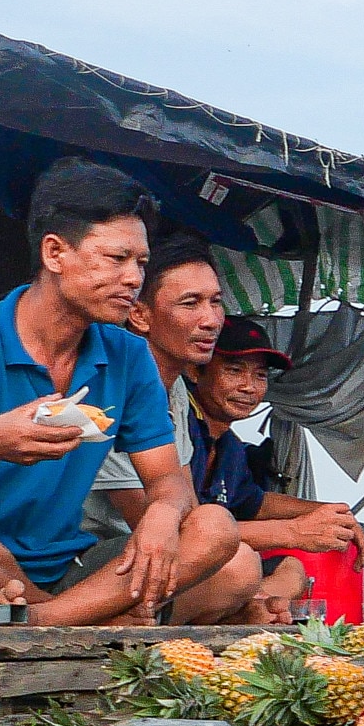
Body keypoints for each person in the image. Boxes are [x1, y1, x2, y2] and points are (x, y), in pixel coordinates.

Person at [0, 159, 247, 624]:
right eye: (116, 259)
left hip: (69, 567)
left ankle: (41, 622)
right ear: (55, 254)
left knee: (214, 529)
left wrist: (162, 513)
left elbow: (166, 481)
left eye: (141, 263)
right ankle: (86, 618)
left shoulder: (129, 356)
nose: (134, 278)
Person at [73, 234, 267, 623]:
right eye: (190, 303)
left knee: (241, 562)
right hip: (82, 556)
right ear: (141, 315)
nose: (211, 320)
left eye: (215, 302)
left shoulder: (176, 391)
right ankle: (78, 618)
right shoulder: (108, 385)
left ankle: (122, 617)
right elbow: (143, 516)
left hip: (137, 557)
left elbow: (189, 513)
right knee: (239, 566)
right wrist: (295, 534)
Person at [174, 314, 364, 619]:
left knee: (292, 569)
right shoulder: (179, 424)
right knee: (241, 564)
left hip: (213, 571)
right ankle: (243, 604)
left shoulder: (229, 444)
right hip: (158, 560)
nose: (249, 387)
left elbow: (256, 502)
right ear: (195, 371)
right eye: (234, 371)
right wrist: (294, 531)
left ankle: (252, 604)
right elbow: (187, 531)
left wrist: (331, 511)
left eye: (260, 376)